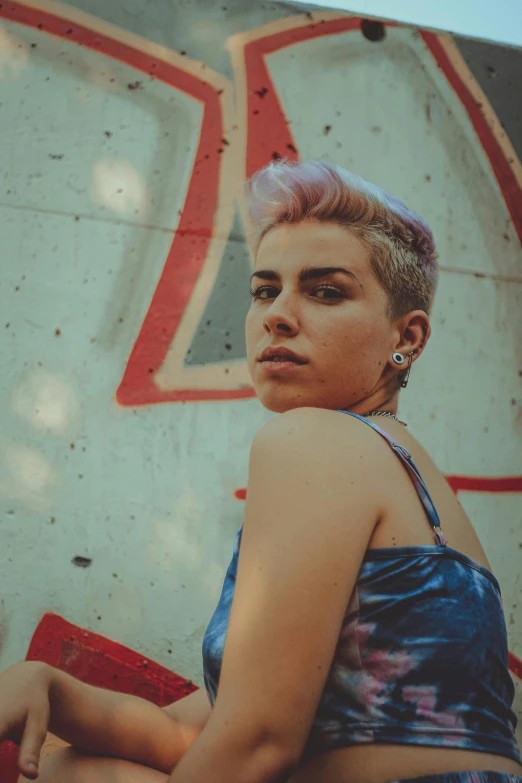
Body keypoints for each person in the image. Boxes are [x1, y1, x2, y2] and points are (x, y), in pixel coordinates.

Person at [2, 159, 521, 783]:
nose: (277, 314)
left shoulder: (315, 440)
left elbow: (257, 747)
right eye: (264, 289)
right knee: (79, 768)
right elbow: (190, 732)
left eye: (326, 290)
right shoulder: (402, 472)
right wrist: (50, 687)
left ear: (406, 338)